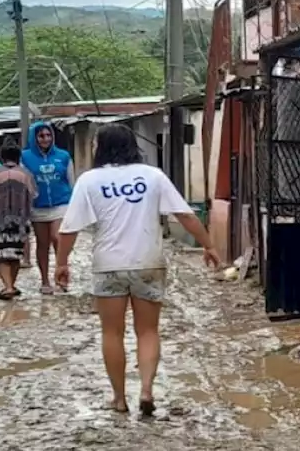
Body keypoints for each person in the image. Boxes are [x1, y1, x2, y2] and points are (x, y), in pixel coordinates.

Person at [55, 124, 219, 416]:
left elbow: (70, 227)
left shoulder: (89, 180)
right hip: (149, 262)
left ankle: (119, 399)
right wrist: (208, 245)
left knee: (112, 333)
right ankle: (146, 390)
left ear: (101, 148)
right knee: (147, 331)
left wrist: (62, 262)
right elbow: (184, 214)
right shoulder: (153, 176)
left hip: (108, 265)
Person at [0, 142, 36, 301]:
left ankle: (8, 286)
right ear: (18, 157)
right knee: (15, 254)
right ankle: (11, 285)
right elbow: (34, 194)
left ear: (2, 157)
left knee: (0, 253)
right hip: (20, 220)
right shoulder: (27, 174)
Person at [21, 122, 74, 295]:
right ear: (34, 138)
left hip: (61, 203)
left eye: (48, 135)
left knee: (57, 238)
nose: (45, 139)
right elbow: (24, 182)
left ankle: (62, 275)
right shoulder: (25, 157)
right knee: (42, 244)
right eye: (41, 136)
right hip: (38, 206)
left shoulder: (64, 156)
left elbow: (70, 179)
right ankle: (44, 280)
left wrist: (74, 202)